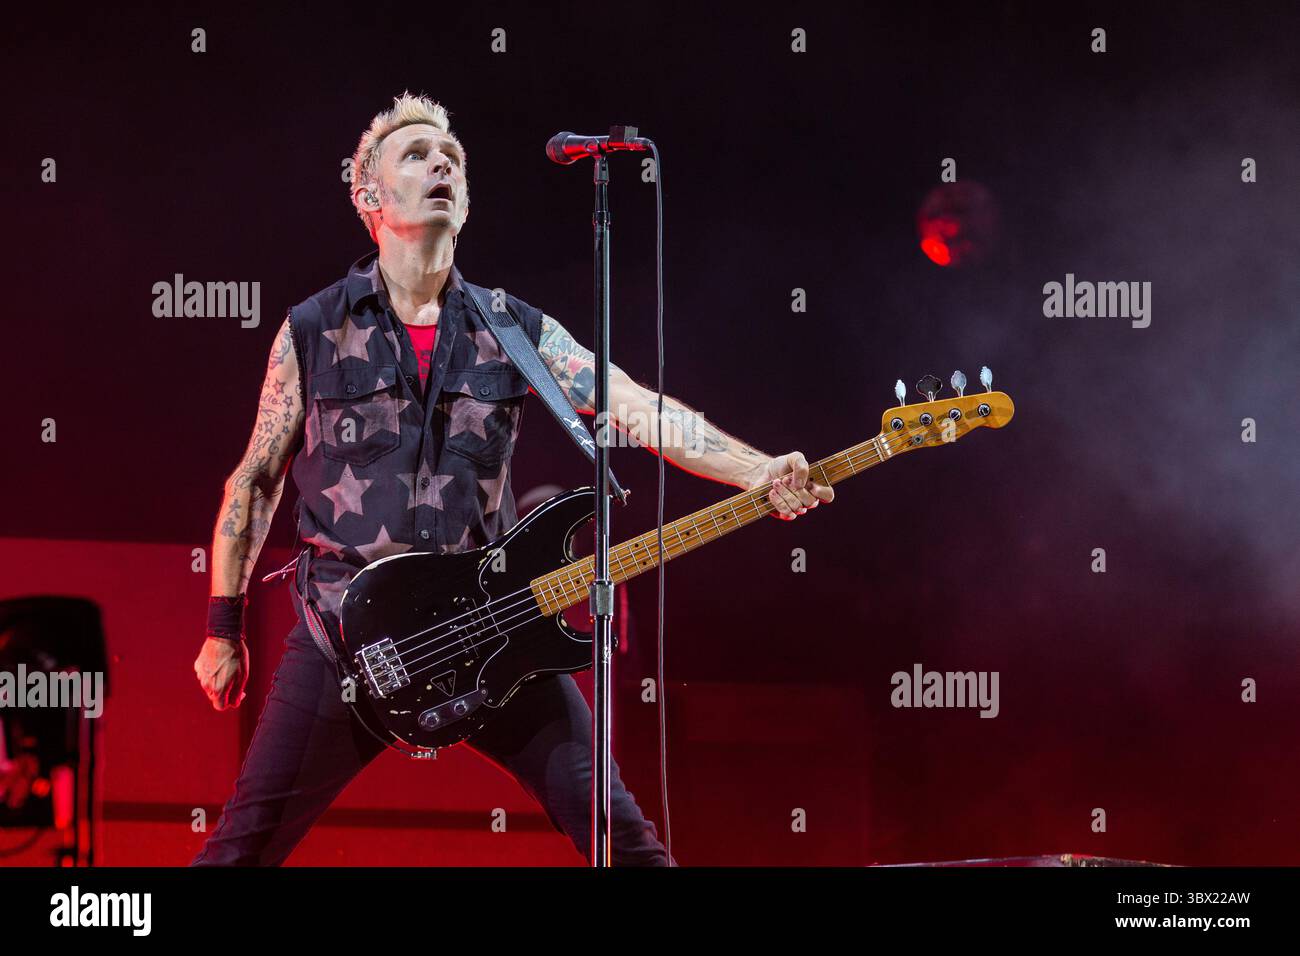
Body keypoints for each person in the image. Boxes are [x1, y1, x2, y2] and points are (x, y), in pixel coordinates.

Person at [191, 92, 833, 866]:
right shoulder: (313, 328)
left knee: (624, 842)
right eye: (418, 155)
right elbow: (254, 482)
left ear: (464, 203)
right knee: (236, 854)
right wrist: (223, 629)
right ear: (369, 195)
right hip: (344, 639)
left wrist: (758, 470)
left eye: (453, 160)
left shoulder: (512, 329)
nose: (441, 166)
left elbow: (630, 405)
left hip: (491, 626)